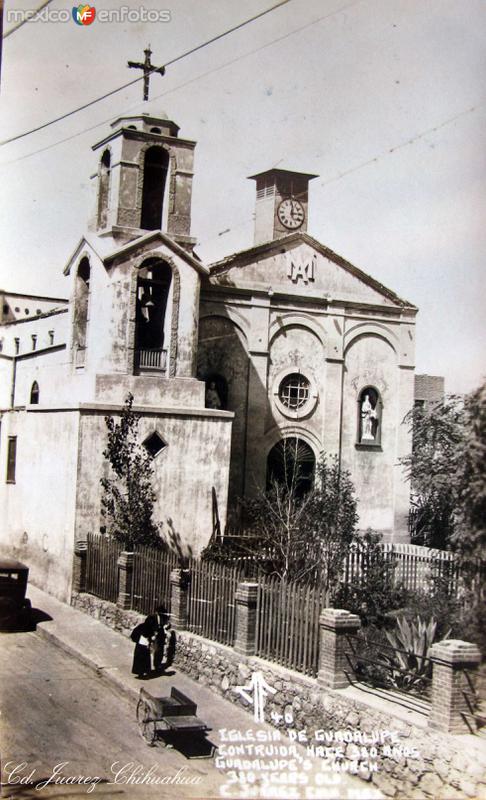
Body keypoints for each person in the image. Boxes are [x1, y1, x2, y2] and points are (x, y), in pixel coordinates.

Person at [149, 606, 171, 673]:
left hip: (161, 636)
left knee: (161, 650)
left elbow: (167, 625)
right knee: (156, 650)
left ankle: (158, 664)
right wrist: (152, 634)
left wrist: (166, 627)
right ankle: (156, 664)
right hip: (155, 636)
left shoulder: (164, 617)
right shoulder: (152, 617)